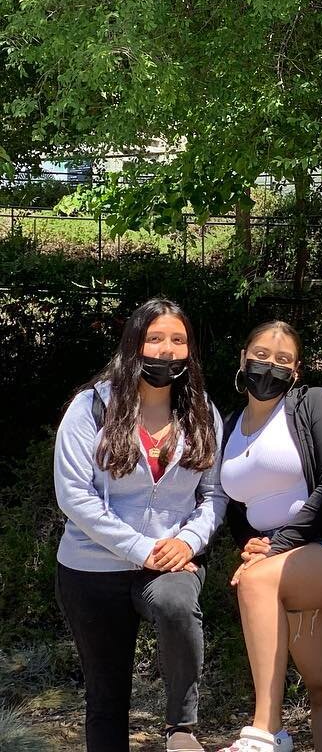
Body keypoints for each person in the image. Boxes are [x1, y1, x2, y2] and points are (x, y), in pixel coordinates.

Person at [53, 298, 225, 752]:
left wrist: (188, 541)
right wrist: (138, 547)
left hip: (169, 564)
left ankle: (180, 728)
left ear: (190, 351)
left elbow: (214, 495)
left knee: (176, 605)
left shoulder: (203, 411)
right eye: (154, 338)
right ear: (133, 344)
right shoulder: (90, 407)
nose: (166, 350)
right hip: (91, 570)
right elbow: (74, 496)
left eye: (178, 340)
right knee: (106, 699)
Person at [217, 321, 322, 752]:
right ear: (242, 359)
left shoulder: (314, 402)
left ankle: (265, 731)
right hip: (283, 556)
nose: (269, 365)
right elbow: (237, 502)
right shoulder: (230, 425)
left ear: (296, 371)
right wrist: (254, 542)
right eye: (260, 355)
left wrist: (278, 545)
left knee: (255, 581)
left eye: (282, 360)